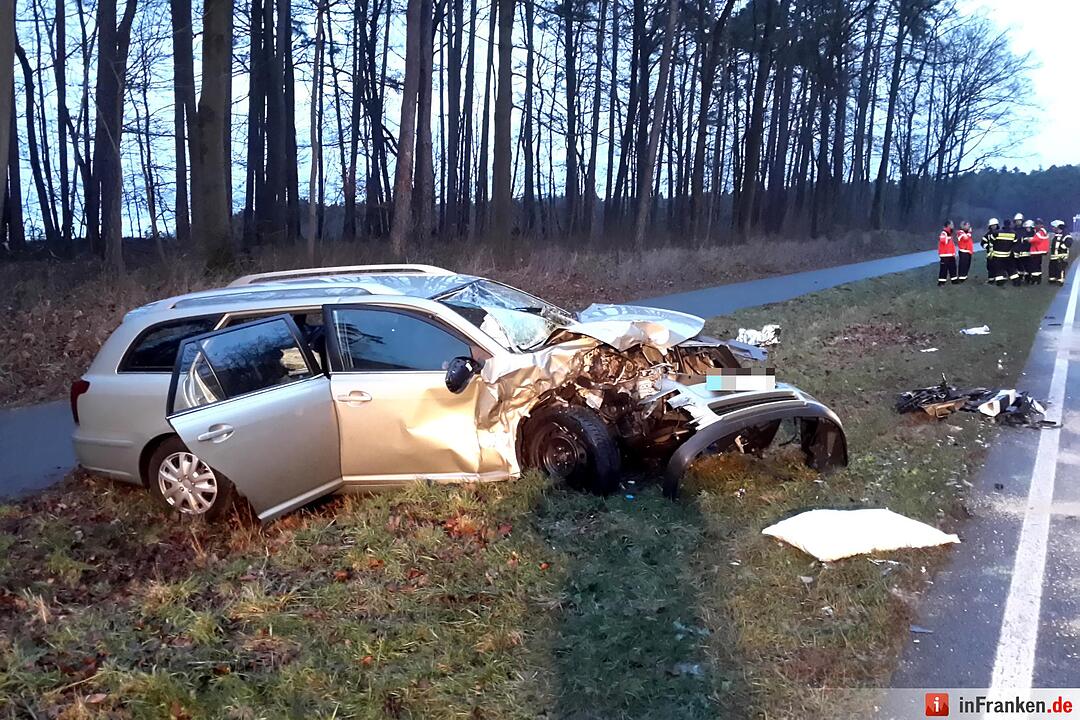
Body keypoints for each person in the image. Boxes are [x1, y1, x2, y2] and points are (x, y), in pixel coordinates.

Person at [994, 218, 1019, 286]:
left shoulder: (997, 232)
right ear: (1010, 224)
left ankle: (1000, 283)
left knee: (999, 269)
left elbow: (993, 242)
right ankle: (1016, 282)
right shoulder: (1014, 233)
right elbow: (1015, 244)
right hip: (1008, 254)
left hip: (998, 255)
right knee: (1011, 268)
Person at [1049, 220, 1073, 284]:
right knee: (1052, 268)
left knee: (1060, 268)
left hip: (1061, 256)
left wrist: (1062, 247)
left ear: (1058, 227)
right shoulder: (1057, 234)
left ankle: (1060, 280)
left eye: (1054, 227)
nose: (1052, 228)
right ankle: (1052, 279)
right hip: (1054, 256)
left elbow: (1069, 243)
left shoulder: (1066, 235)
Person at [1028, 219, 1049, 284]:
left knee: (1034, 266)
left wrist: (1028, 239)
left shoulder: (1040, 232)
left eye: (1037, 224)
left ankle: (1034, 280)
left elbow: (1034, 240)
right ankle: (1038, 279)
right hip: (1039, 252)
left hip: (1036, 251)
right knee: (1038, 266)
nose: (1036, 226)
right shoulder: (1043, 232)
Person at [937, 220, 958, 286]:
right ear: (948, 225)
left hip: (950, 255)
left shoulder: (949, 233)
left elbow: (951, 246)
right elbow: (943, 240)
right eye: (952, 224)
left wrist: (954, 254)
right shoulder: (944, 233)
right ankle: (941, 282)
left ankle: (954, 280)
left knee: (953, 268)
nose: (953, 225)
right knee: (944, 269)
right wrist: (948, 237)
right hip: (945, 255)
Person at [1015, 219, 1034, 285]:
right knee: (1021, 267)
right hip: (1022, 254)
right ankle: (1021, 278)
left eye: (1028, 227)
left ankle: (1028, 279)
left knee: (1028, 268)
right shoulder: (1024, 234)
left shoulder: (1033, 235)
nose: (1027, 229)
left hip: (1030, 254)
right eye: (1026, 228)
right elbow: (1020, 243)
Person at [982, 218, 999, 283]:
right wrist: (988, 247)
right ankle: (991, 279)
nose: (993, 227)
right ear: (990, 226)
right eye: (992, 225)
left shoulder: (1000, 232)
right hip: (990, 254)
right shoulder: (988, 234)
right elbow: (983, 242)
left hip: (999, 253)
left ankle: (999, 279)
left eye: (995, 225)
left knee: (999, 267)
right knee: (990, 266)